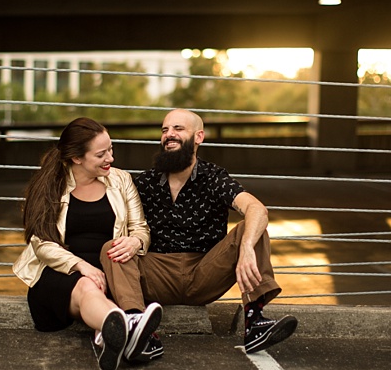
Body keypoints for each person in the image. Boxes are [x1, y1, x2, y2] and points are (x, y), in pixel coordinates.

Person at [101, 108, 297, 356]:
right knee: (112, 249)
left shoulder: (214, 177)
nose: (169, 135)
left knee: (253, 227)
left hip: (205, 272)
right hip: (156, 273)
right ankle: (138, 329)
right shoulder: (145, 182)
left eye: (178, 129)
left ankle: (254, 321)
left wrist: (246, 248)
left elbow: (257, 209)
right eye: (165, 130)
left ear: (199, 137)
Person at [13, 117, 163, 370]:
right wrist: (82, 266)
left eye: (111, 150)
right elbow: (42, 244)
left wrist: (135, 241)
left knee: (95, 285)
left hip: (110, 271)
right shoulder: (49, 185)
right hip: (60, 272)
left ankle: (117, 335)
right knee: (86, 286)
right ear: (77, 158)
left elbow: (141, 228)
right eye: (101, 154)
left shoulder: (121, 180)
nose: (111, 159)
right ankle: (124, 328)